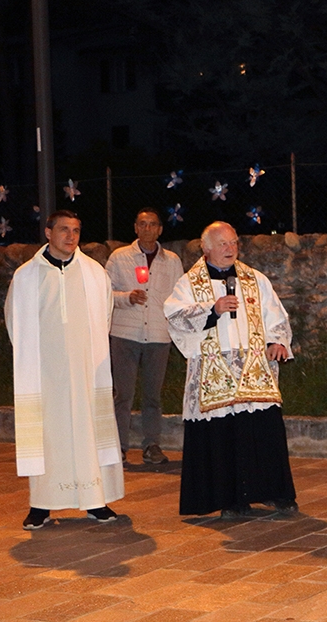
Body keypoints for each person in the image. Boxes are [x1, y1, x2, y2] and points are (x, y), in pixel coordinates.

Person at [164, 221, 297, 518]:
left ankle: (274, 493)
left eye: (234, 242)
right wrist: (212, 309)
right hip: (214, 371)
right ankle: (230, 500)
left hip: (253, 368)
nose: (230, 248)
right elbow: (174, 316)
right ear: (206, 248)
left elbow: (275, 314)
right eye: (223, 243)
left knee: (262, 432)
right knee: (222, 437)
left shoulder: (254, 279)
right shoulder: (189, 282)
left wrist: (277, 341)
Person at [5, 210, 124, 530]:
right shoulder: (26, 276)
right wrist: (36, 360)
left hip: (86, 371)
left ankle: (95, 500)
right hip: (45, 374)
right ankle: (41, 505)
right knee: (48, 435)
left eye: (76, 230)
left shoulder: (94, 273)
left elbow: (105, 316)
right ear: (48, 233)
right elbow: (15, 321)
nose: (71, 236)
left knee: (88, 430)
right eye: (63, 230)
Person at [106, 207, 184, 465]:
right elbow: (104, 292)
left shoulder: (172, 261)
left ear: (160, 230)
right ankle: (118, 447)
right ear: (135, 228)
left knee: (153, 395)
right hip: (125, 333)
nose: (147, 228)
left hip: (158, 336)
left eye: (152, 224)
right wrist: (126, 298)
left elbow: (179, 296)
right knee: (123, 394)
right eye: (142, 224)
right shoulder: (119, 257)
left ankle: (152, 445)